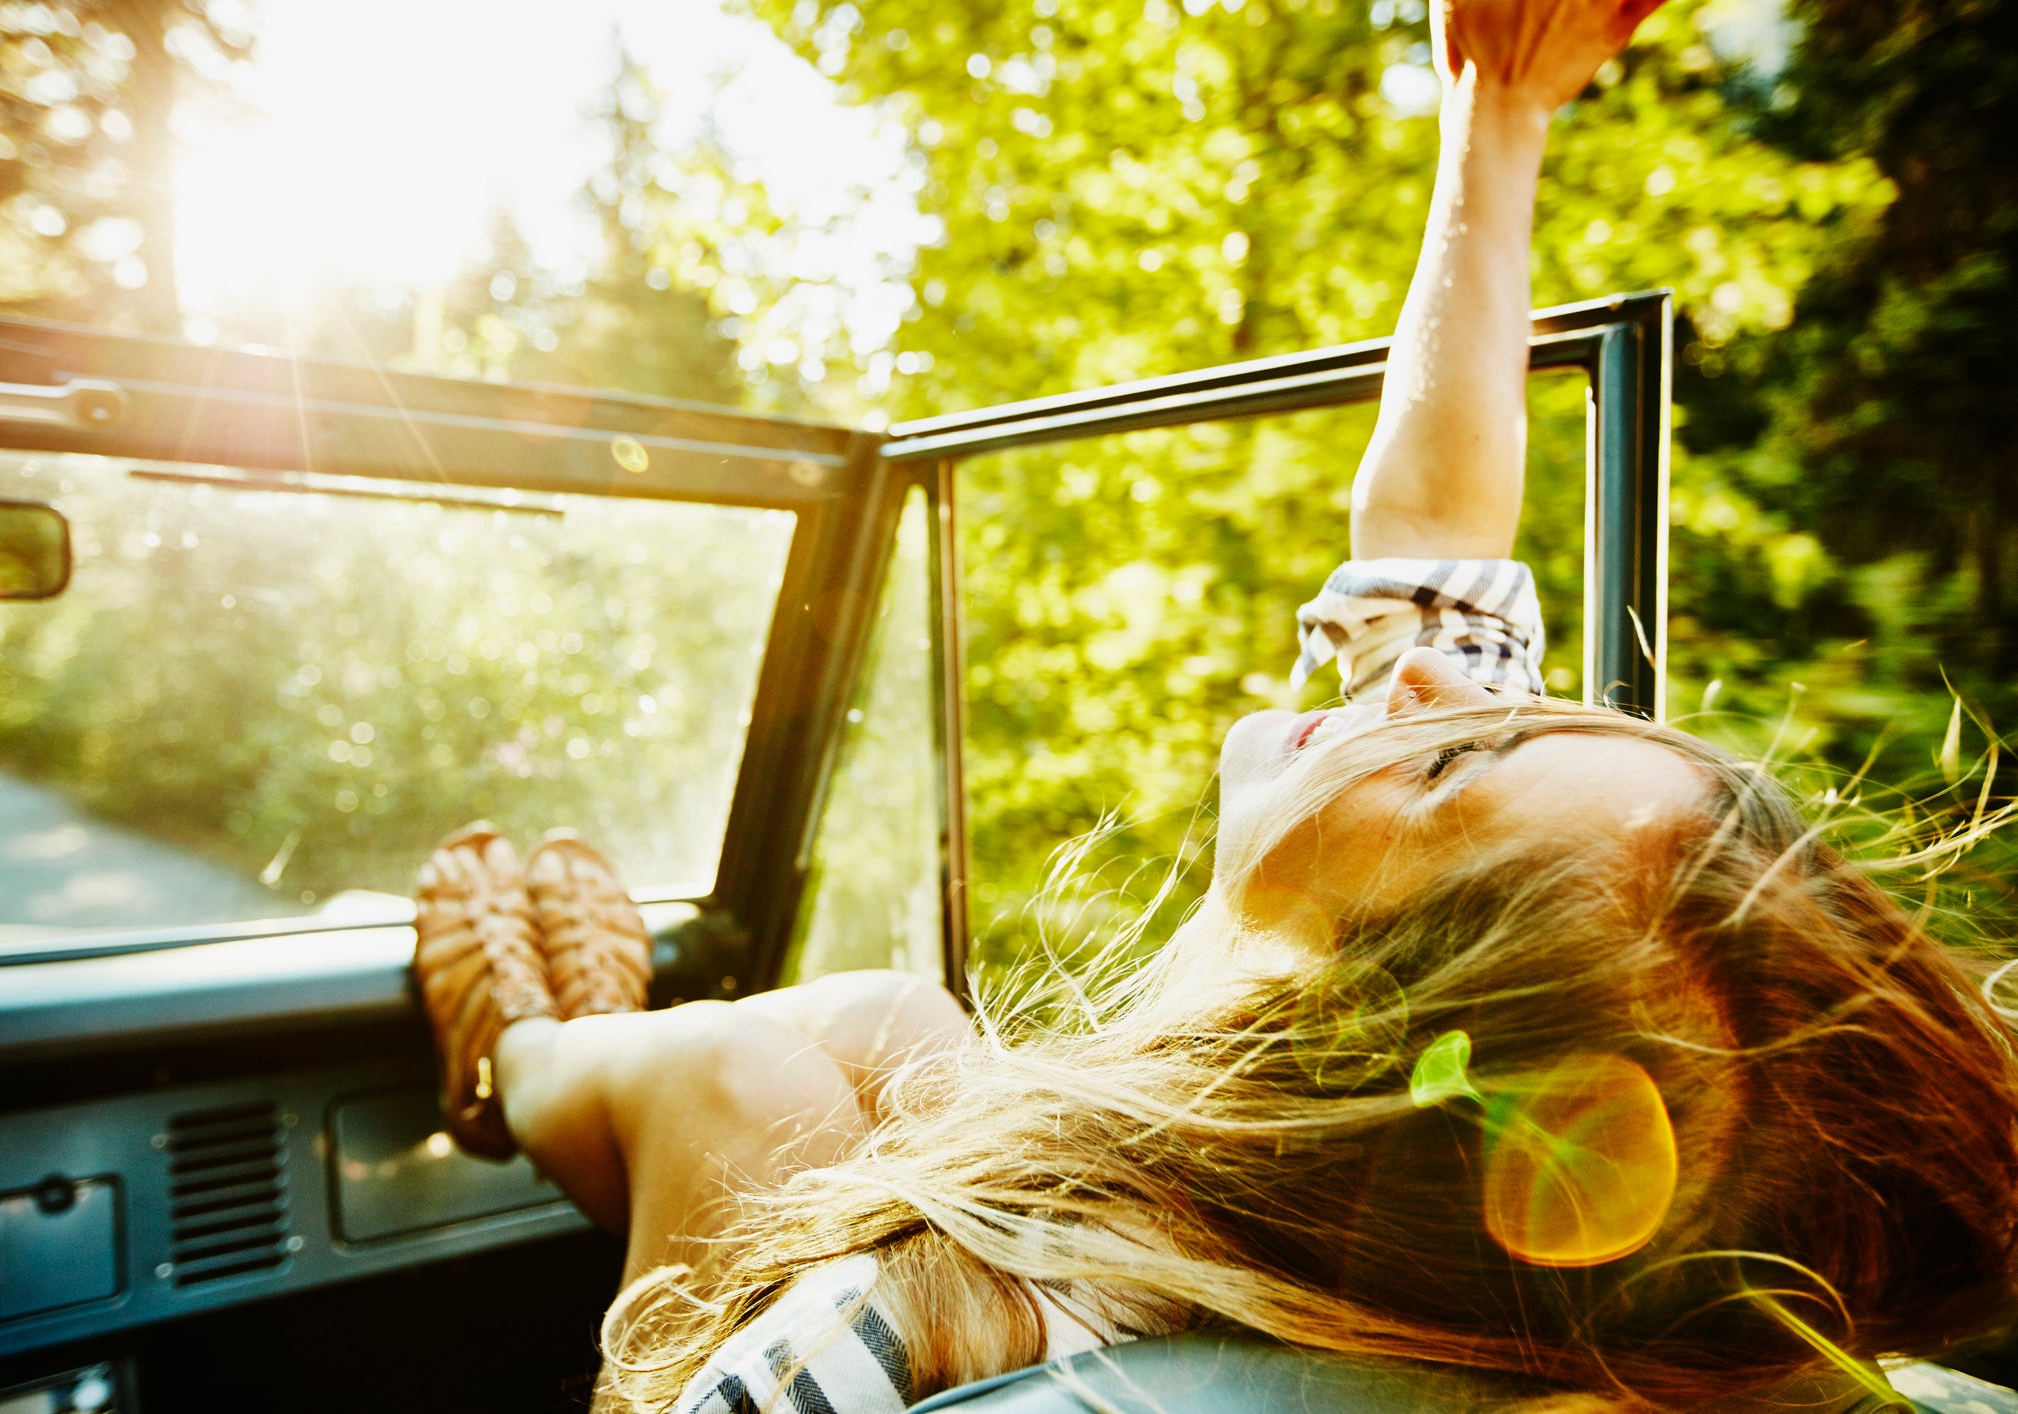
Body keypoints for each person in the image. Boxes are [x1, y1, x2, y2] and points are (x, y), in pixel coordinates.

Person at [410, 0, 2018, 1409]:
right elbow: (1435, 544)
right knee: (898, 1018)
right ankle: (577, 1029)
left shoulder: (914, 1324)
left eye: (1456, 756)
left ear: (1364, 1038)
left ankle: (528, 1053)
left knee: (730, 1084)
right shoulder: (1401, 1156)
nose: (1427, 667)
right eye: (1513, 712)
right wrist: (1496, 112)